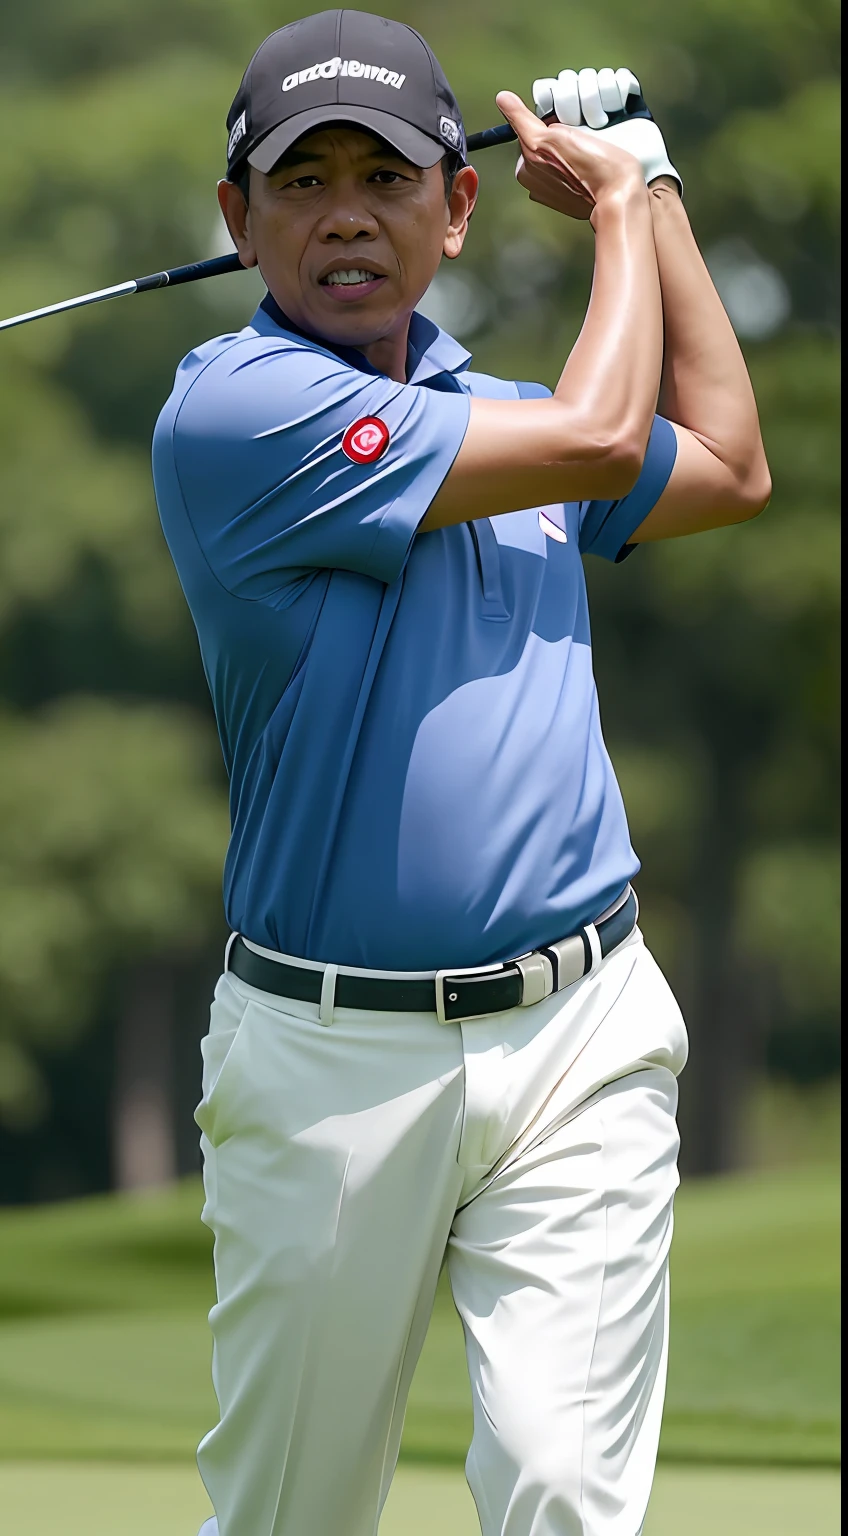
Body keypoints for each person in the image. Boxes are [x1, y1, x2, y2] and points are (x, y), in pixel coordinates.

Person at [152, 10, 770, 1536]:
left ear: (459, 204)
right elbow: (600, 433)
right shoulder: (232, 417)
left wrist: (657, 190)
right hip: (327, 1061)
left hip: (581, 1031)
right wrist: (618, 207)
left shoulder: (502, 421)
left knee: (565, 1487)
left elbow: (732, 463)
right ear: (238, 222)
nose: (348, 212)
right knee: (293, 1516)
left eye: (387, 173)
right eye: (302, 182)